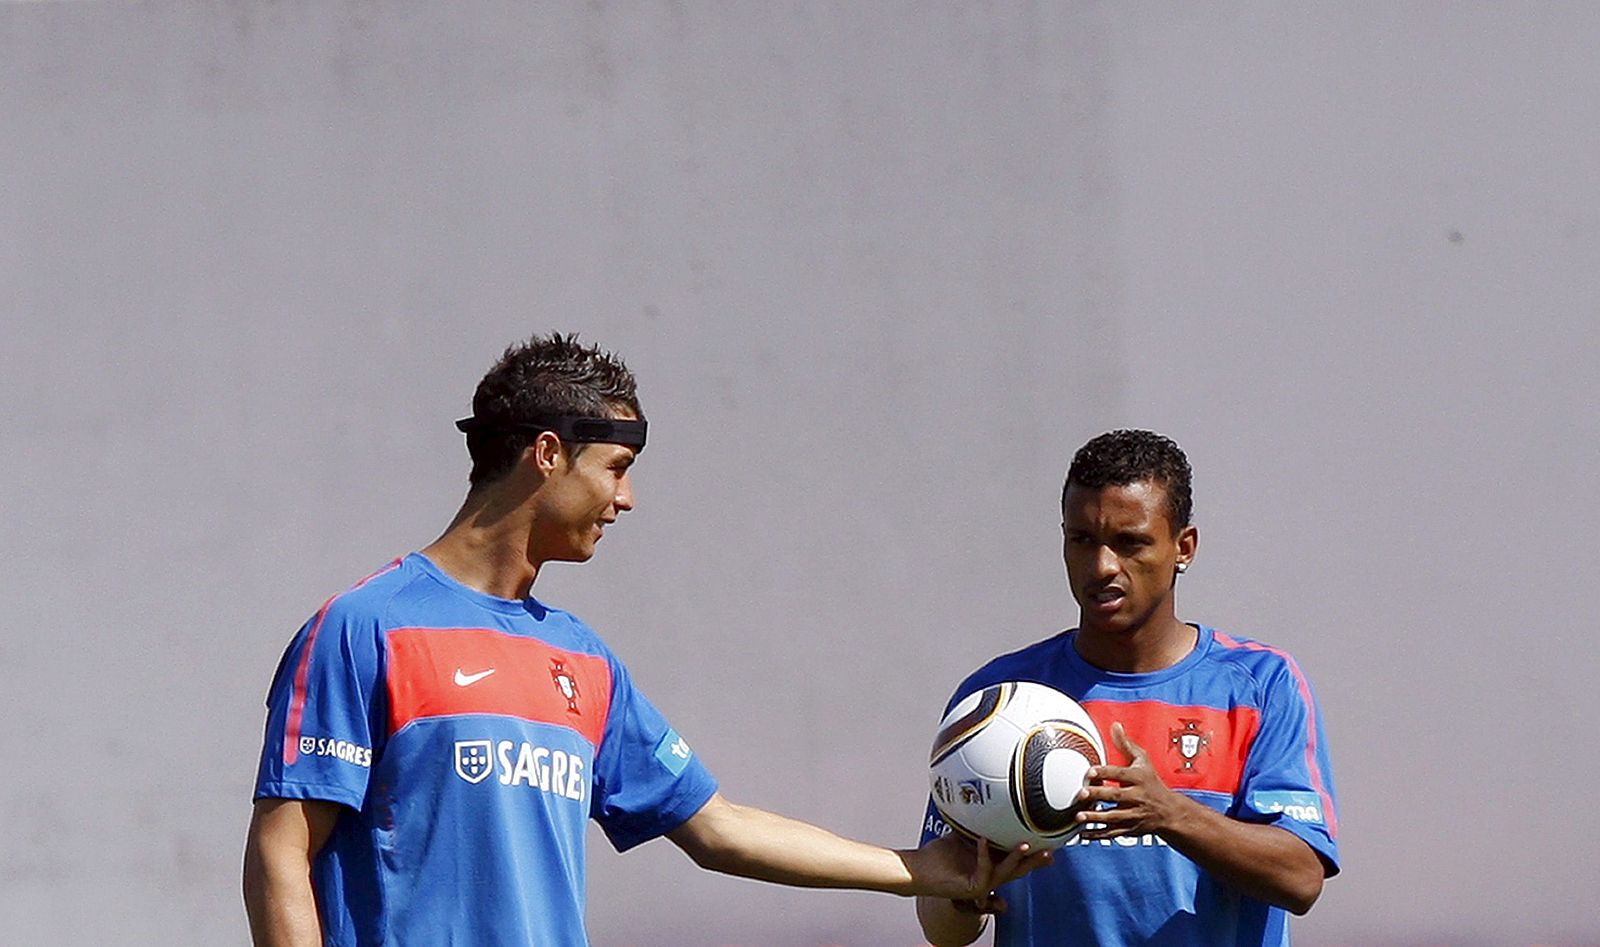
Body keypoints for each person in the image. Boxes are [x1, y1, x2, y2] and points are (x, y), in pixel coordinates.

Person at [243, 333, 1046, 946]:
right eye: (616, 466)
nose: (627, 497)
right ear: (548, 453)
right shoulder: (368, 627)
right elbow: (281, 855)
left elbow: (716, 827)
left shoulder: (583, 660)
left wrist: (918, 871)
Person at [915, 430, 1339, 947]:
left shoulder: (1260, 686)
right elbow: (943, 927)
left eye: (1130, 542)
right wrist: (965, 895)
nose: (1103, 567)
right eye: (1083, 540)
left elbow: (1300, 879)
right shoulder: (998, 701)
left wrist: (1170, 813)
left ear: (1183, 547)